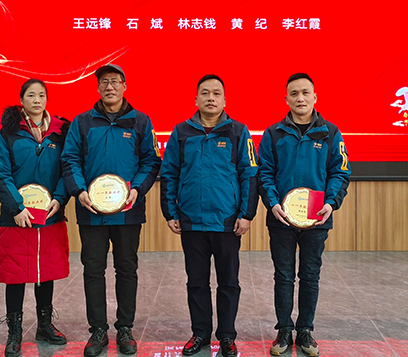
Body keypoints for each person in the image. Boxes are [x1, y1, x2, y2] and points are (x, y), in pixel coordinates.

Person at [62, 64, 161, 356]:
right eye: (104, 82)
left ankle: (125, 328)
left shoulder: (141, 121)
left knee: (126, 268)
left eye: (115, 81)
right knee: (93, 269)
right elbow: (69, 159)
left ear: (124, 86)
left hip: (128, 211)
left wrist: (137, 189)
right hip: (90, 211)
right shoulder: (82, 122)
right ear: (98, 87)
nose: (109, 87)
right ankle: (98, 330)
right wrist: (79, 191)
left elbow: (151, 161)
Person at [160, 74, 258, 357]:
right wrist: (170, 211)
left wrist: (246, 214)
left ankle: (227, 335)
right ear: (196, 99)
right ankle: (200, 333)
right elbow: (169, 174)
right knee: (196, 283)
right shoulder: (181, 132)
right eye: (205, 93)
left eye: (216, 93)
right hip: (191, 222)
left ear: (225, 100)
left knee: (229, 283)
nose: (211, 98)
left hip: (227, 222)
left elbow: (249, 175)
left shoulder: (238, 132)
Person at [258, 73, 351, 357]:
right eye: (294, 93)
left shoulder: (330, 133)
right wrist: (273, 203)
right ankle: (284, 329)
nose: (300, 98)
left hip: (317, 219)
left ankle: (306, 329)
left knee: (310, 275)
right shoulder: (273, 134)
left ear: (315, 97)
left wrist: (331, 203)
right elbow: (264, 173)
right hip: (281, 219)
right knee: (284, 276)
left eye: (305, 92)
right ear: (286, 99)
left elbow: (340, 172)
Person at [0, 78, 70, 357]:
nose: (37, 100)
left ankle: (44, 325)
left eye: (42, 95)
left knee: (45, 270)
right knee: (15, 273)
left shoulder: (60, 133)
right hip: (17, 216)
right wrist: (17, 208)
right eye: (31, 95)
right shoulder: (7, 134)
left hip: (50, 215)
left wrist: (59, 198)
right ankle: (14, 332)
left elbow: (67, 170)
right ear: (22, 100)